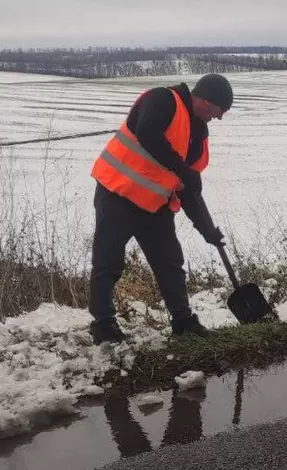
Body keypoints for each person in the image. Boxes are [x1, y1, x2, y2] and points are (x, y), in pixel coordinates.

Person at [87, 73, 233, 344]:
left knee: (170, 262)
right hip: (117, 193)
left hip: (154, 206)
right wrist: (182, 169)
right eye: (220, 110)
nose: (220, 117)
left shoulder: (197, 136)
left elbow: (187, 189)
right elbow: (148, 134)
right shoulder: (164, 100)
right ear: (205, 100)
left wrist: (207, 231)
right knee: (108, 262)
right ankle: (103, 325)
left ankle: (182, 321)